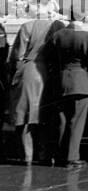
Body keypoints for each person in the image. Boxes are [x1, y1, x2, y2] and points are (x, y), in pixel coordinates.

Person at [5, 9, 62, 165]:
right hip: (49, 75)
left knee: (24, 117)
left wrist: (12, 76)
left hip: (29, 73)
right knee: (44, 117)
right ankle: (45, 155)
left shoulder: (27, 27)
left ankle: (27, 156)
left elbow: (17, 56)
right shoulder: (58, 26)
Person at [48, 15, 88, 169]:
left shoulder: (57, 35)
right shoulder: (87, 36)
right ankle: (72, 157)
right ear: (82, 18)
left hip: (61, 81)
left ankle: (58, 154)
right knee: (76, 121)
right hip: (81, 82)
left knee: (62, 119)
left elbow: (51, 60)